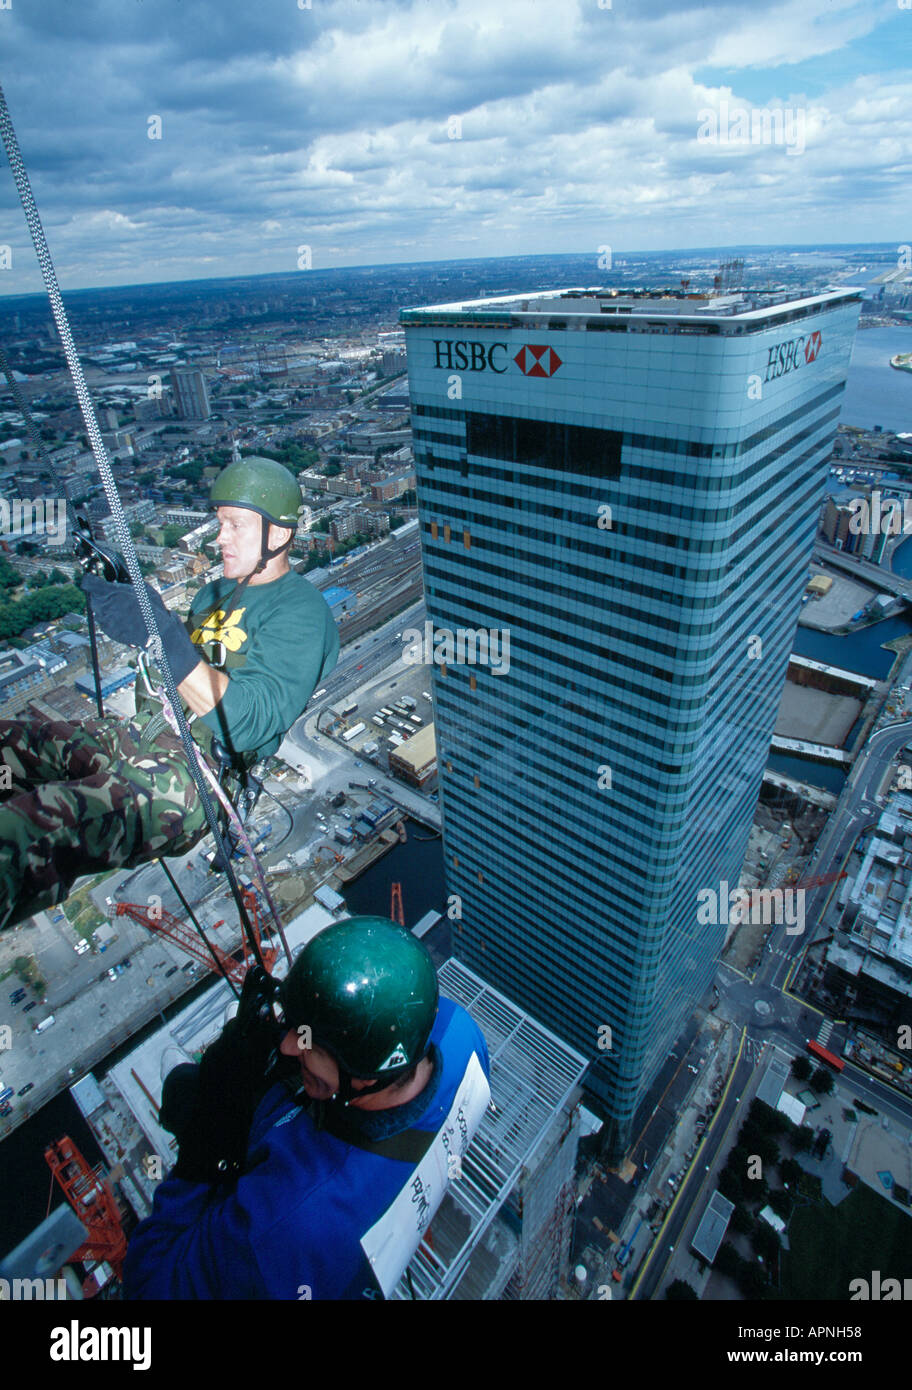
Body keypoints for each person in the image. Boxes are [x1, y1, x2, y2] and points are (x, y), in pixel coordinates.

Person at [0, 457, 339, 931]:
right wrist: (141, 612)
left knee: (27, 830)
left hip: (196, 778)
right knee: (12, 745)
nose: (219, 537)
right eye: (219, 523)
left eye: (234, 525)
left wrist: (162, 634)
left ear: (278, 535)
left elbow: (247, 722)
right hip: (143, 734)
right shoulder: (212, 595)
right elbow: (169, 686)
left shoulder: (302, 612)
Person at [123, 917, 492, 1300]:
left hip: (295, 1202)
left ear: (364, 1078)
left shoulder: (286, 1228)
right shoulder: (462, 1036)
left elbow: (149, 1286)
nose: (287, 1046)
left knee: (184, 1092)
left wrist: (204, 1152)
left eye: (307, 1044)